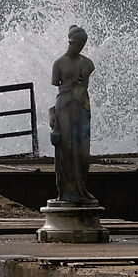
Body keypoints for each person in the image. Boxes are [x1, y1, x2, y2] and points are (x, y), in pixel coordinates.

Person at [49, 25, 94, 205]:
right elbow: (57, 87)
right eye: (78, 44)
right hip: (64, 107)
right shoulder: (58, 64)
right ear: (71, 42)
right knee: (66, 150)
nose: (80, 48)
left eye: (83, 45)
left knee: (83, 152)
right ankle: (67, 192)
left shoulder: (87, 63)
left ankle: (82, 188)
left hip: (82, 106)